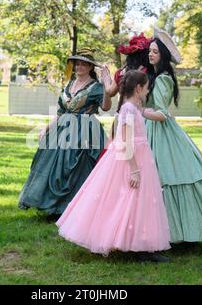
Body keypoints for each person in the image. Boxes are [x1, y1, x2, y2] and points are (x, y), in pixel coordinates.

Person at [57, 70, 171, 262]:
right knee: (128, 198)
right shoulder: (127, 109)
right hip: (130, 160)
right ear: (138, 89)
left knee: (139, 201)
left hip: (140, 157)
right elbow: (124, 142)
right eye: (146, 87)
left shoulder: (133, 109)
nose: (148, 91)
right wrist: (134, 169)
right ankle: (133, 245)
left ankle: (139, 244)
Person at [144, 28, 202, 244]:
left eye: (155, 52)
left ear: (164, 56)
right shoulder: (157, 75)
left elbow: (161, 113)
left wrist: (138, 111)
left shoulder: (162, 79)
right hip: (152, 128)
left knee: (165, 177)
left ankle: (170, 231)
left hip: (158, 132)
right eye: (150, 51)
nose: (150, 55)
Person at [18, 50, 112, 221]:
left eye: (83, 64)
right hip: (62, 129)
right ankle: (53, 206)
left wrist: (107, 87)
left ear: (90, 67)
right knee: (53, 166)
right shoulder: (69, 85)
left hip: (84, 131)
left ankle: (74, 208)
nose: (79, 66)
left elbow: (106, 107)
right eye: (77, 63)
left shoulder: (96, 87)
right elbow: (61, 112)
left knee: (77, 168)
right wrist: (45, 128)